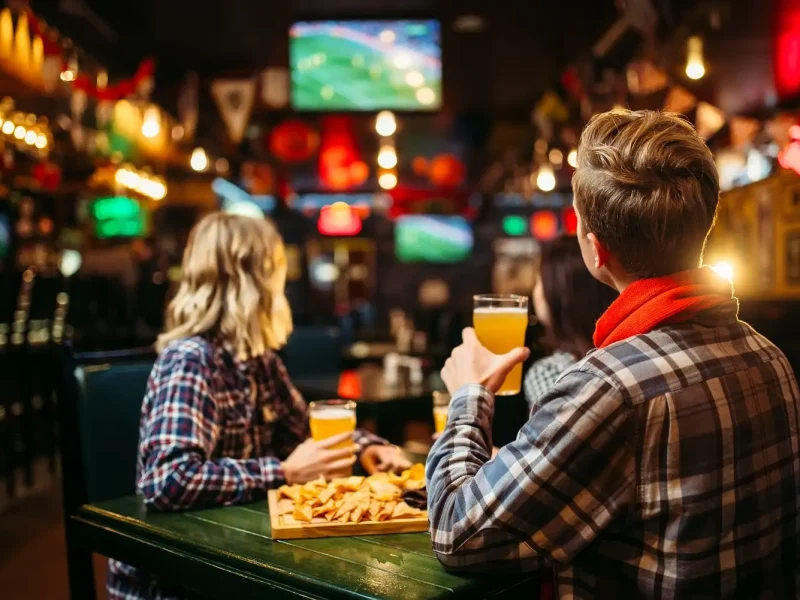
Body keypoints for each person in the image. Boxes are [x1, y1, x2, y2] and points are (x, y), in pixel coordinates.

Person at [427, 110, 800, 598]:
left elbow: (459, 533)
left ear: (596, 250)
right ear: (703, 225)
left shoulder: (608, 387)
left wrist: (470, 397)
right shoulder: (769, 357)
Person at [107, 213, 409, 600]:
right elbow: (166, 480)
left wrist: (369, 447)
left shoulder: (259, 361)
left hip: (229, 559)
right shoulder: (190, 360)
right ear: (251, 282)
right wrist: (282, 471)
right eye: (275, 273)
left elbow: (305, 428)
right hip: (173, 582)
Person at [524, 236, 617, 407]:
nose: (534, 291)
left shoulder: (550, 371)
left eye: (539, 280)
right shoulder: (625, 354)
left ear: (558, 293)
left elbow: (553, 433)